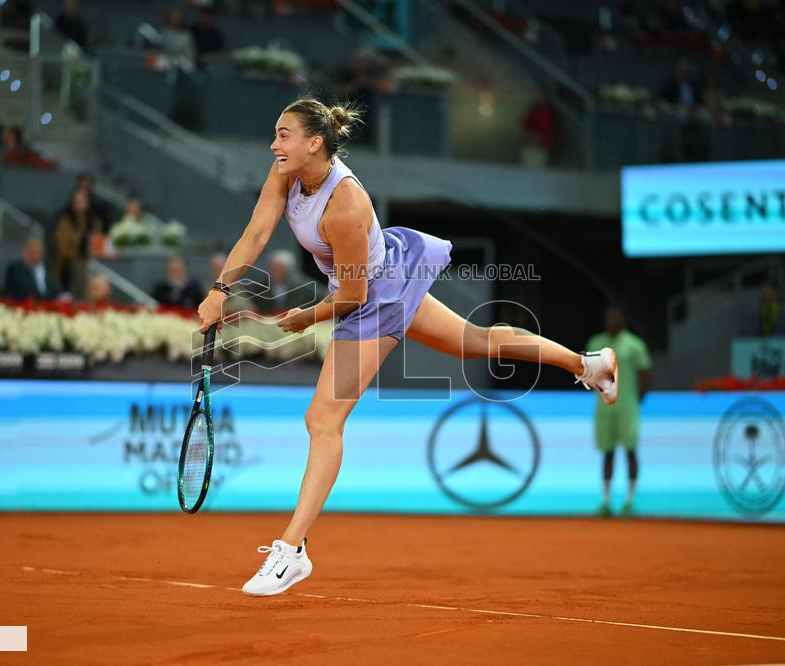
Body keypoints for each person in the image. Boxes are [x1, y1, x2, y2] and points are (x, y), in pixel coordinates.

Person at [195, 97, 619, 597]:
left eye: (283, 134)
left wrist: (304, 318)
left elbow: (353, 296)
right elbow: (258, 231)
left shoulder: (345, 204)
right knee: (473, 342)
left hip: (373, 296)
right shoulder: (286, 172)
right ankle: (587, 364)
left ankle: (292, 551)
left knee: (323, 420)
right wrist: (218, 291)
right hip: (386, 272)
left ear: (314, 143)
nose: (274, 143)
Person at [586, 305, 650, 518]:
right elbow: (586, 372)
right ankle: (605, 502)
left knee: (630, 451)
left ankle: (629, 502)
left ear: (624, 320)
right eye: (609, 317)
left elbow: (644, 375)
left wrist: (634, 401)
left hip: (627, 407)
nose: (612, 320)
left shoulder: (635, 345)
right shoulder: (595, 343)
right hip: (604, 408)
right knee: (607, 452)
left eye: (617, 317)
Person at [51, 189, 104, 298]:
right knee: (80, 268)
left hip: (91, 263)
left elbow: (98, 244)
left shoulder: (95, 221)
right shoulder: (65, 221)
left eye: (81, 201)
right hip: (68, 263)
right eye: (76, 201)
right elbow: (62, 247)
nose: (78, 204)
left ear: (88, 203)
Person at [1, 237, 62, 301]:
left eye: (36, 251)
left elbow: (55, 289)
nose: (33, 255)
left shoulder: (45, 271)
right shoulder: (15, 269)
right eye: (31, 251)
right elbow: (26, 292)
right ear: (23, 252)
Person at [258, 248, 318, 314]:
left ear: (288, 271)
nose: (276, 273)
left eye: (280, 270)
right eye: (274, 269)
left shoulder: (298, 287)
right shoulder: (263, 287)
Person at [520, 89, 555, 168]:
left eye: (540, 96)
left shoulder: (547, 112)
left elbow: (545, 126)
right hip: (530, 145)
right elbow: (525, 122)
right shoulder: (534, 110)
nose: (538, 98)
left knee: (537, 165)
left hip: (540, 145)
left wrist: (536, 136)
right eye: (537, 96)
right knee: (528, 165)